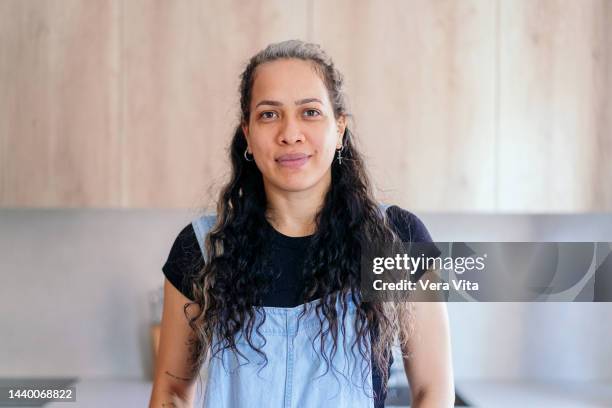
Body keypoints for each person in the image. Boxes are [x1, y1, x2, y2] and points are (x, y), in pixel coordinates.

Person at [149, 40, 454, 408]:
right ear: (247, 133)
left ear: (339, 128)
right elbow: (171, 393)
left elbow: (433, 391)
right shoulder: (201, 248)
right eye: (269, 114)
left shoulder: (396, 239)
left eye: (310, 112)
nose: (290, 133)